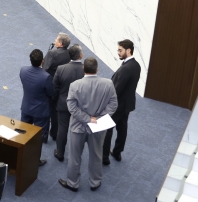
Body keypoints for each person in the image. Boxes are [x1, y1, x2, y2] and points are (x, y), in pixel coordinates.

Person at [59, 57, 117, 192]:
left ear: (83, 69)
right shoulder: (108, 84)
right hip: (98, 128)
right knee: (96, 155)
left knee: (74, 157)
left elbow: (72, 107)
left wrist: (87, 119)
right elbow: (113, 104)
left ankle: (73, 183)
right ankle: (95, 182)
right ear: (97, 69)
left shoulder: (75, 85)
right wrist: (98, 119)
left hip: (78, 127)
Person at [103, 39, 140, 164]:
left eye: (120, 50)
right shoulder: (136, 65)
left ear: (128, 50)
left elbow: (116, 90)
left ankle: (104, 157)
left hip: (118, 105)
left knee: (108, 129)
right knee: (122, 128)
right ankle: (117, 152)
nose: (118, 53)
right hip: (128, 104)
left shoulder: (125, 69)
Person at [52, 44, 84, 161]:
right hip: (80, 106)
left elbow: (55, 88)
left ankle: (60, 153)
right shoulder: (86, 70)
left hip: (63, 104)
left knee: (62, 129)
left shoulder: (61, 69)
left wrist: (56, 101)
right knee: (78, 131)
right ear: (80, 55)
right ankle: (75, 156)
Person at [19, 49, 54, 150]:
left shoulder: (23, 70)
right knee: (39, 137)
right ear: (42, 61)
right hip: (40, 112)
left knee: (23, 133)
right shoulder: (46, 77)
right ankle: (35, 161)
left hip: (26, 107)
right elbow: (51, 93)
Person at [43, 33, 72, 142]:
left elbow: (45, 69)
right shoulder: (69, 54)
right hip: (62, 86)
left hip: (50, 85)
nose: (54, 40)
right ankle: (54, 133)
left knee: (46, 111)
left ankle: (44, 135)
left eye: (56, 39)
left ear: (60, 43)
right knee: (55, 112)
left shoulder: (52, 53)